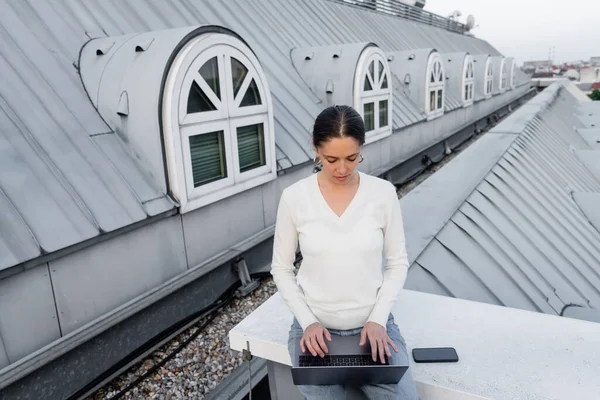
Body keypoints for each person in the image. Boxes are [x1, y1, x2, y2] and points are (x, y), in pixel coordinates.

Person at [270, 105, 420, 400]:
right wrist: (308, 321)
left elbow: (397, 263)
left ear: (361, 148)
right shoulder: (295, 198)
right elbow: (281, 269)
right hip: (315, 330)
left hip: (374, 327)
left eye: (352, 158)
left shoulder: (383, 193)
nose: (342, 169)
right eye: (331, 159)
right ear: (315, 149)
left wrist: (377, 318)